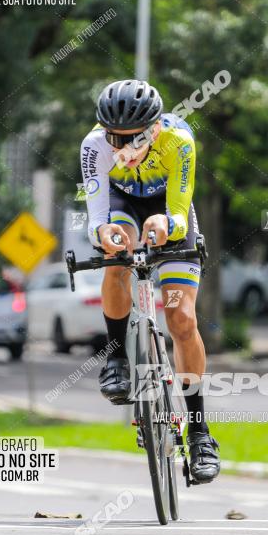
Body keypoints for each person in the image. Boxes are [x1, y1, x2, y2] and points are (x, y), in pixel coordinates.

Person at [79, 78, 220, 484]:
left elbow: (179, 208)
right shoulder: (94, 147)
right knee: (115, 258)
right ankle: (117, 357)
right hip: (122, 205)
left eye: (133, 140)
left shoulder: (180, 141)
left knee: (182, 320)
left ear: (154, 129)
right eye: (114, 139)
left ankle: (199, 434)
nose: (121, 151)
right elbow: (96, 217)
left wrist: (169, 223)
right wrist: (103, 235)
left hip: (166, 210)